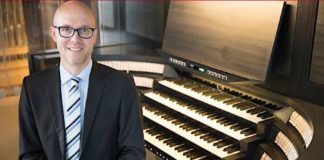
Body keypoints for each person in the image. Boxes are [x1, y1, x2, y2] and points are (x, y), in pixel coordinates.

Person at [18, 1, 145, 160]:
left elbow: (133, 152)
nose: (75, 39)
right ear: (54, 33)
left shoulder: (123, 85)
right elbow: (30, 154)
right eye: (66, 29)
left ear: (94, 35)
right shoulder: (32, 88)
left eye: (84, 30)